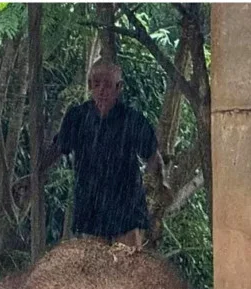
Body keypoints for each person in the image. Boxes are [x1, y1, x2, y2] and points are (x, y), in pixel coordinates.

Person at [28, 58, 169, 248]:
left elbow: (153, 157)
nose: (102, 90)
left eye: (108, 85)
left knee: (128, 268)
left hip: (126, 207)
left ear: (119, 88)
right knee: (95, 270)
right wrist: (36, 173)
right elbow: (58, 148)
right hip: (91, 206)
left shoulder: (133, 120)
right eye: (96, 84)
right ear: (89, 86)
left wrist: (156, 186)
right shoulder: (77, 117)